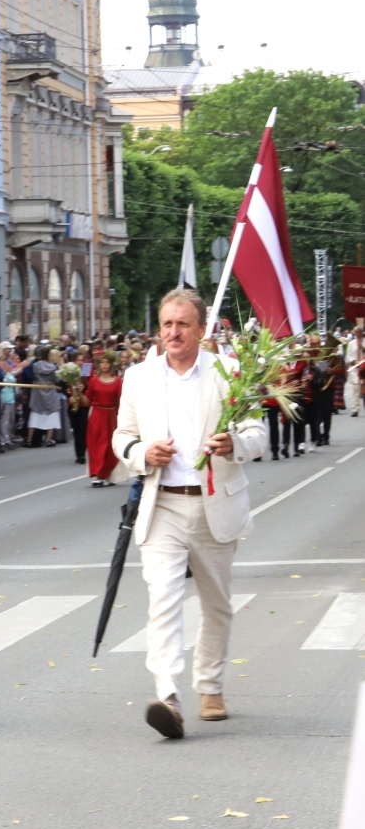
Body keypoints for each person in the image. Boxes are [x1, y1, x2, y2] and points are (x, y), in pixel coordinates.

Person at [113, 288, 267, 739]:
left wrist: (234, 444)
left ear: (202, 328)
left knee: (215, 603)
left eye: (183, 324)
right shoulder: (138, 377)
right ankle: (169, 698)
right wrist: (142, 452)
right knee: (162, 599)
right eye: (167, 324)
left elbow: (258, 434)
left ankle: (210, 687)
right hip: (161, 503)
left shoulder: (230, 372)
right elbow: (121, 436)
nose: (173, 332)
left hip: (213, 502)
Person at [84, 352, 124, 487]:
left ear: (111, 364)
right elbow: (87, 400)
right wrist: (77, 392)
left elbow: (123, 400)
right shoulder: (93, 381)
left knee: (109, 445)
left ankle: (108, 474)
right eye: (102, 362)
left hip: (112, 415)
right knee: (96, 444)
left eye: (107, 362)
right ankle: (98, 474)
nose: (105, 365)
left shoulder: (118, 382)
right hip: (96, 415)